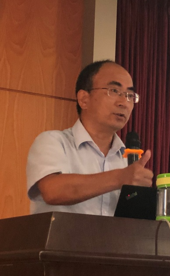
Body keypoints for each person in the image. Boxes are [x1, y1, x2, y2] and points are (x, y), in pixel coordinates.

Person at [26, 60, 153, 216]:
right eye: (114, 91)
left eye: (130, 95)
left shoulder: (127, 161)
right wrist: (119, 178)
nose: (124, 103)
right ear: (84, 99)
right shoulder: (53, 141)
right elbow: (53, 191)